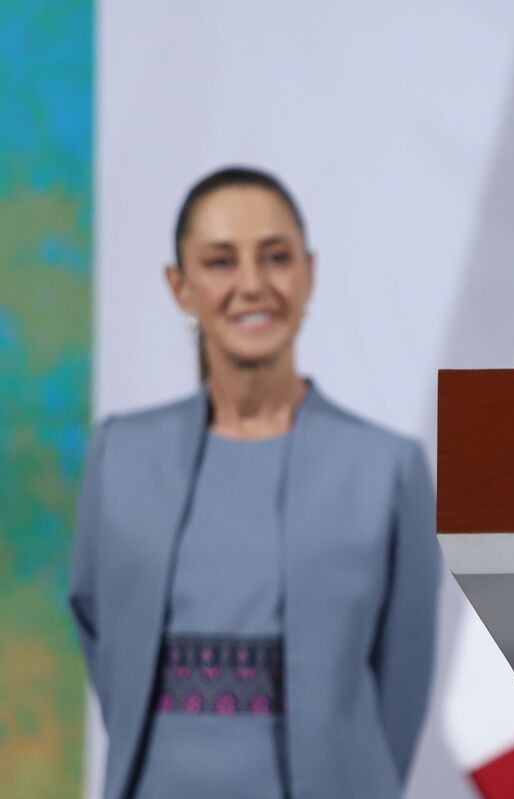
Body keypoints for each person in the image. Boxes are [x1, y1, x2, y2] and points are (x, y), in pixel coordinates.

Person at [69, 167, 440, 798]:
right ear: (179, 286)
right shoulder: (120, 454)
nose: (251, 284)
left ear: (308, 273)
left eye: (275, 257)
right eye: (220, 262)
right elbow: (100, 633)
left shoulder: (386, 468)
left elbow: (400, 692)